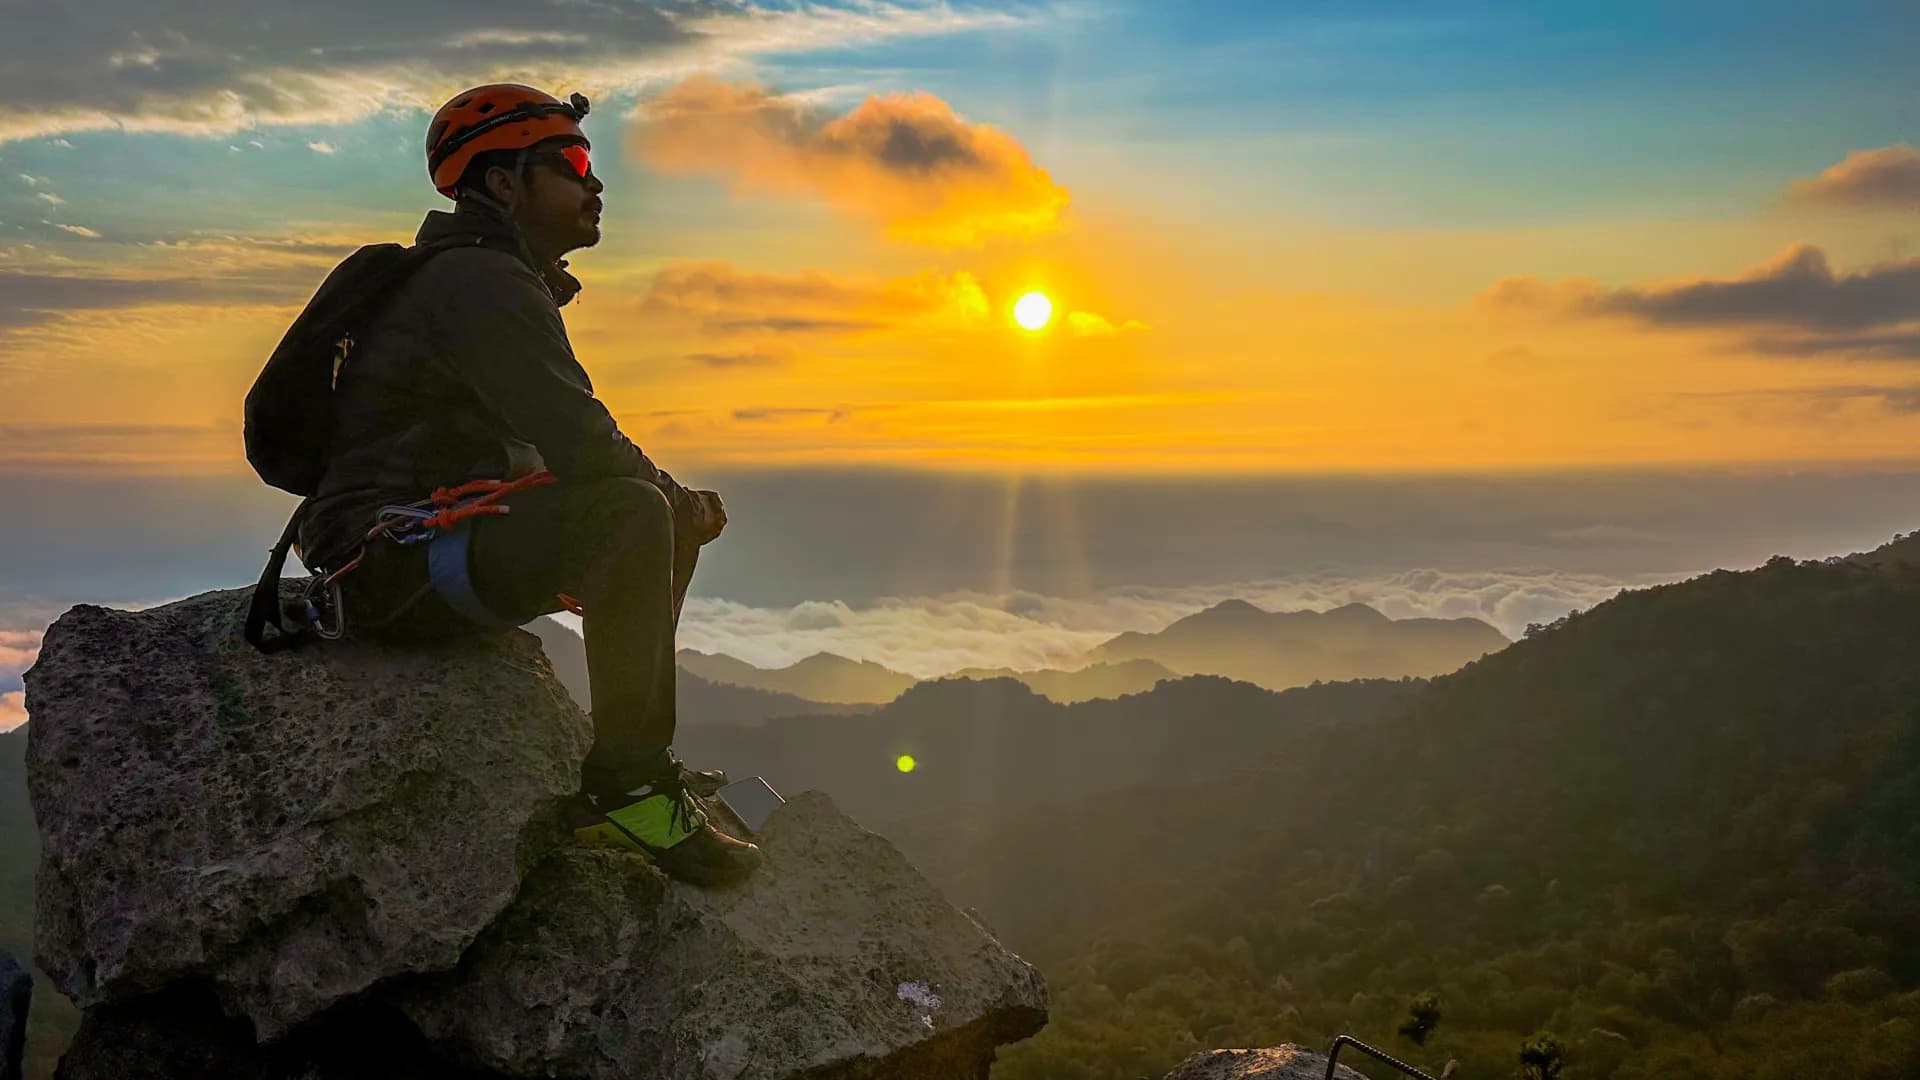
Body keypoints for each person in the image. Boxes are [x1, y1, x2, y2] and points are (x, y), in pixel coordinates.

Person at [295, 84, 761, 887]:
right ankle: (633, 787)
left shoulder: (479, 276)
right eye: (573, 164)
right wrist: (681, 505)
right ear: (504, 186)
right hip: (386, 563)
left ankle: (635, 763)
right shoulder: (480, 280)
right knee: (632, 512)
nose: (596, 184)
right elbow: (582, 440)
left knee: (639, 510)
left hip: (401, 551)